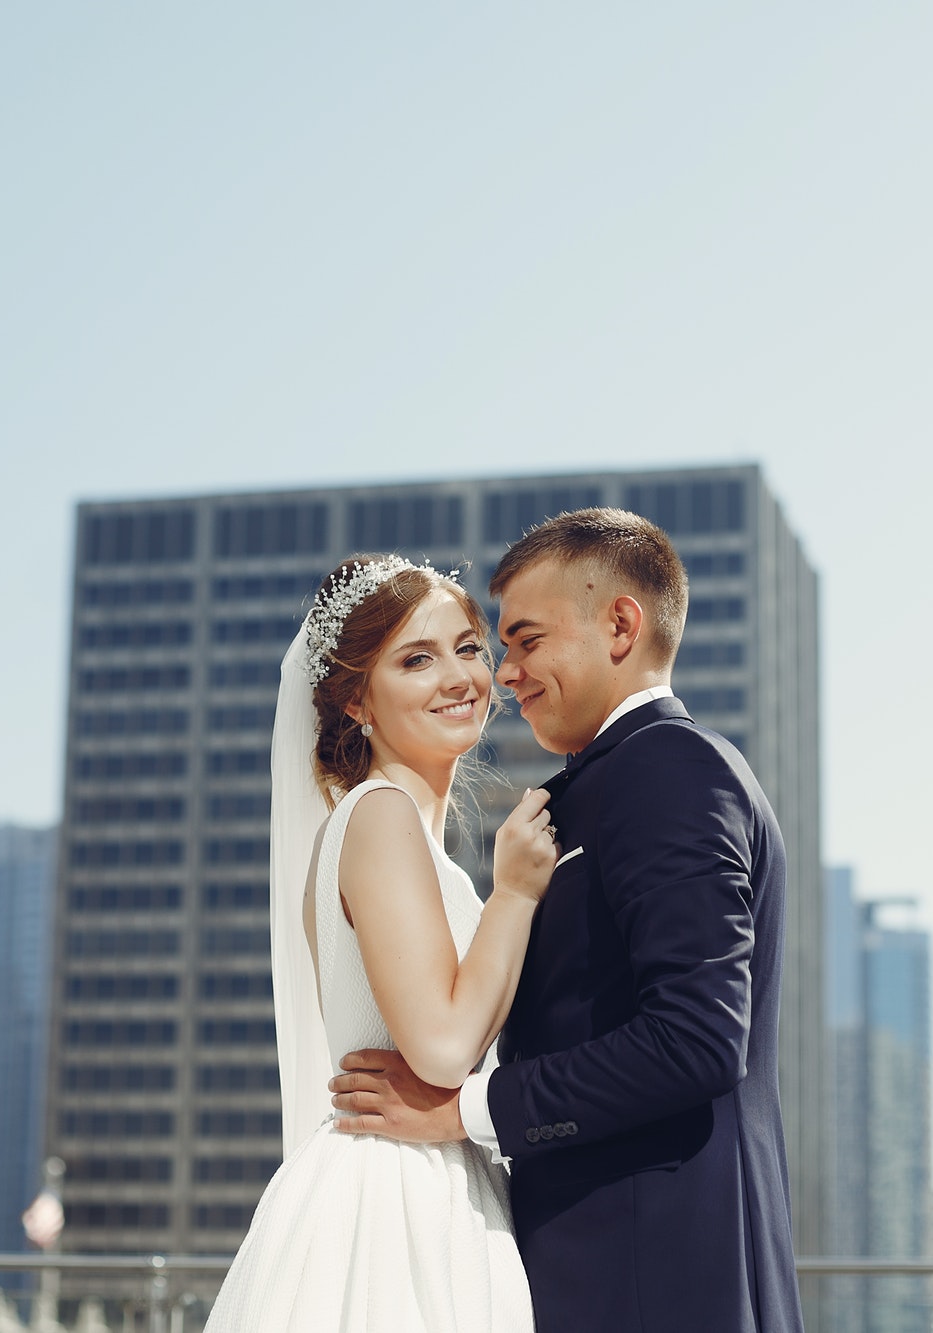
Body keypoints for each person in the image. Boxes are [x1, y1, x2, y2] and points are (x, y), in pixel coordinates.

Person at [328, 509, 805, 1333]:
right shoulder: (594, 792)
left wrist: (466, 1112)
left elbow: (696, 1037)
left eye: (523, 640)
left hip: (653, 1279)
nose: (505, 673)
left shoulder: (671, 772)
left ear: (621, 624)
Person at [205, 554, 557, 1332]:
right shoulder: (379, 816)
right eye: (417, 658)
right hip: (395, 1202)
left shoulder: (403, 840)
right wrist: (518, 892)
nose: (461, 675)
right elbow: (439, 1044)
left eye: (468, 646)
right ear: (358, 701)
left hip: (435, 1182)